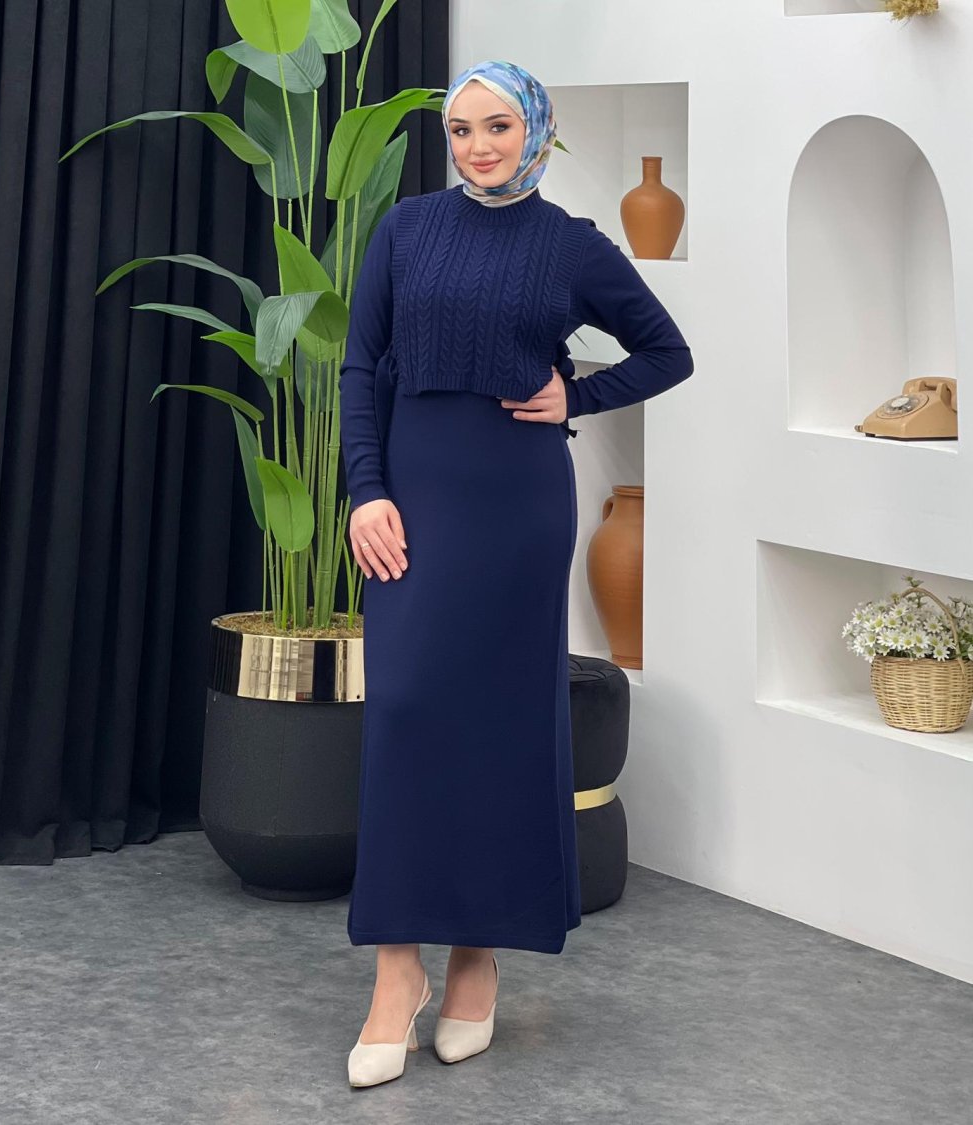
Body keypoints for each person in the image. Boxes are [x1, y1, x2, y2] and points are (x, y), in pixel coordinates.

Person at [338, 59, 694, 1087]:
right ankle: (395, 974)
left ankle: (476, 962)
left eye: (496, 127)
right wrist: (367, 490)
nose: (478, 146)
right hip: (411, 502)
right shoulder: (406, 229)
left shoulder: (572, 246)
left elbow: (666, 351)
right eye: (461, 130)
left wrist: (576, 396)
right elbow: (360, 365)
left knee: (496, 727)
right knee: (404, 711)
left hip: (518, 510)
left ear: (534, 130)